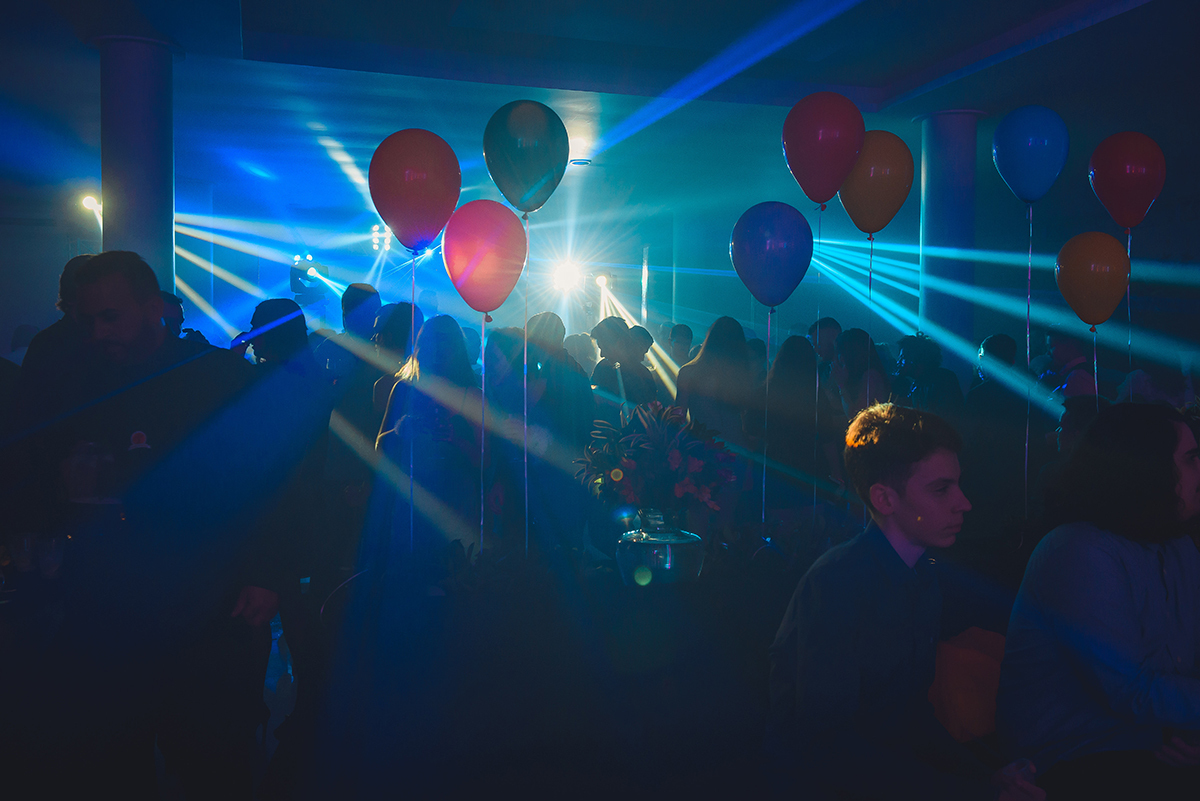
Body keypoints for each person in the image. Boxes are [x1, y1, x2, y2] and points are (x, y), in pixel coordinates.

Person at [5, 251, 291, 797]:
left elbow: (276, 475)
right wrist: (56, 493)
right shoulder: (77, 383)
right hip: (112, 610)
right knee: (113, 764)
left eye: (109, 316)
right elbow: (31, 471)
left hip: (208, 605)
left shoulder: (215, 377)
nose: (97, 331)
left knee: (212, 763)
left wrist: (266, 571)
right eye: (87, 319)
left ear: (153, 308)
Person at [767, 403, 1043, 800]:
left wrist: (988, 778)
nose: (963, 502)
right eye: (941, 488)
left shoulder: (920, 575)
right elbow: (829, 749)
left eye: (957, 485)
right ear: (884, 498)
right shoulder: (835, 586)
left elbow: (910, 717)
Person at [999, 404, 1200, 799]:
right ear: (1148, 470)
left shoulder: (1176, 544)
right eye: (1192, 459)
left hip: (1149, 739)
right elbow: (1131, 691)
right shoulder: (1078, 549)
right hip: (1073, 756)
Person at [375, 316, 482, 577]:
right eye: (427, 345)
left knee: (453, 578)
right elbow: (378, 445)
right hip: (412, 496)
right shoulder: (405, 387)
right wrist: (402, 429)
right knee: (413, 575)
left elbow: (485, 461)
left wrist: (456, 438)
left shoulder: (471, 394)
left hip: (457, 500)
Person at [742, 336, 844, 515]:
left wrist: (748, 471)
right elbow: (828, 439)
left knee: (776, 527)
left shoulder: (763, 393)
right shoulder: (816, 396)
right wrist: (837, 474)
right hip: (809, 468)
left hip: (772, 467)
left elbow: (751, 437)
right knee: (808, 529)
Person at [675, 316, 754, 451]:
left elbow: (678, 417)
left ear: (709, 340)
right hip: (736, 449)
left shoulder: (689, 372)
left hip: (702, 450)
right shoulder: (742, 376)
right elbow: (748, 423)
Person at [590, 316, 656, 419]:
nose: (602, 354)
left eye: (605, 348)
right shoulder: (603, 368)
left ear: (619, 342)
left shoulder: (641, 375)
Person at [893, 333, 964, 424]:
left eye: (903, 357)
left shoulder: (943, 380)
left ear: (915, 359)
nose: (898, 362)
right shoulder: (917, 384)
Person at [372, 302, 425, 416]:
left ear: (388, 336)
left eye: (377, 332)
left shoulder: (385, 385)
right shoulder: (433, 380)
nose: (373, 338)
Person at [831, 327, 891, 419]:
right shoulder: (865, 375)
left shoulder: (871, 377)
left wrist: (841, 385)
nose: (839, 358)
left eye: (840, 352)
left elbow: (855, 416)